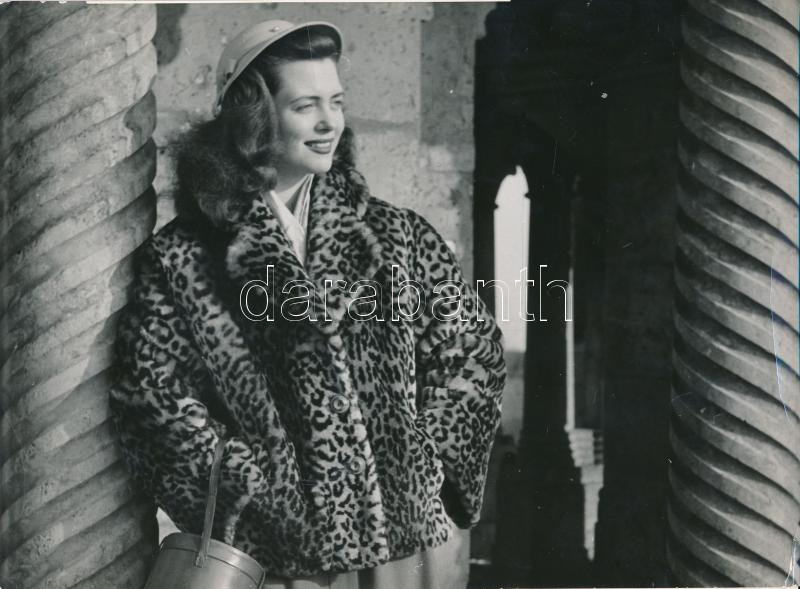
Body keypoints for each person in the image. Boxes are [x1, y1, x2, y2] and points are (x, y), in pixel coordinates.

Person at [109, 19, 506, 589]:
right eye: (305, 106)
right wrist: (251, 488)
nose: (329, 123)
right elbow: (151, 396)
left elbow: (473, 351)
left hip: (405, 553)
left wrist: (426, 460)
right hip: (274, 560)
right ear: (254, 116)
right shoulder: (184, 258)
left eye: (336, 102)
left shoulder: (399, 235)